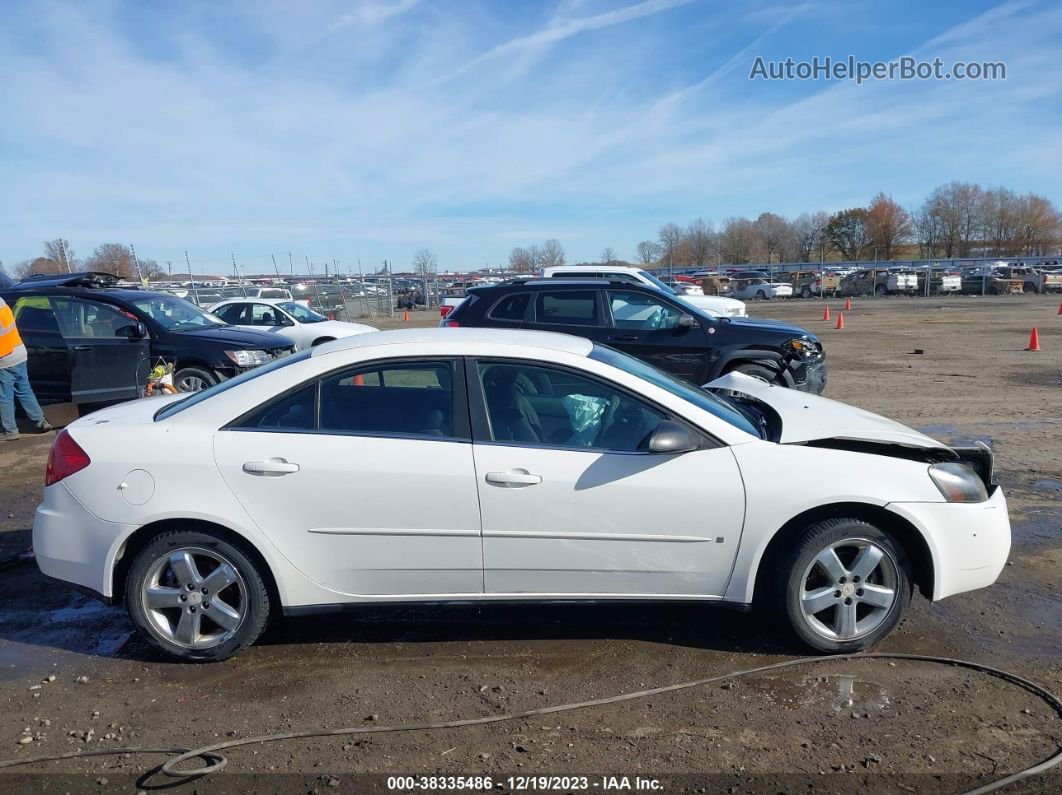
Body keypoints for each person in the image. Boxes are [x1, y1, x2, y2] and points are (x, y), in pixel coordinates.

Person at [0, 295, 52, 441]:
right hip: (19, 352)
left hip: (5, 357)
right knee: (24, 390)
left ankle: (10, 431)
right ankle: (41, 422)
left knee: (4, 396)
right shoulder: (3, 305)